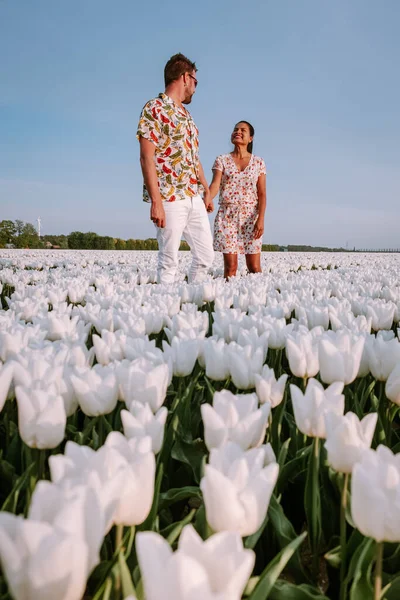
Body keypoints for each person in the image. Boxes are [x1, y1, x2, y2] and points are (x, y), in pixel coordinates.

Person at [137, 53, 214, 284]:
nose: (196, 88)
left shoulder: (188, 117)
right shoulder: (155, 108)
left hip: (193, 197)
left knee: (206, 257)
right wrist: (156, 201)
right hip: (169, 198)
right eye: (195, 82)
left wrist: (206, 189)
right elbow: (146, 157)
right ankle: (166, 312)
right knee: (169, 261)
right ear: (184, 77)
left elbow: (193, 157)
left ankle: (192, 303)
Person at [209, 121, 267, 278]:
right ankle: (228, 300)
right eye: (235, 129)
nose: (238, 132)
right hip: (227, 216)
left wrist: (260, 219)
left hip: (251, 217)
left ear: (251, 138)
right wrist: (206, 199)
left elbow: (262, 194)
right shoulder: (222, 160)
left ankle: (258, 299)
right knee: (231, 267)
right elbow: (215, 185)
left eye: (243, 130)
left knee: (254, 267)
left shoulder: (258, 162)